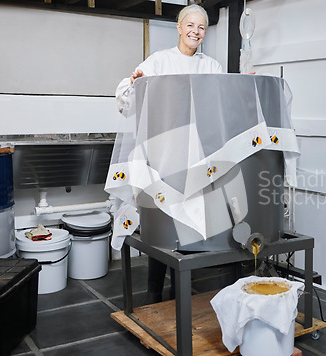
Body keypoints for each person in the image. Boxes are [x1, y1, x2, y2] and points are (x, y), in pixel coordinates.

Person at [115, 4, 223, 304]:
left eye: (201, 27)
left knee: (187, 227)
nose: (195, 32)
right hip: (161, 158)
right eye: (190, 25)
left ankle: (179, 295)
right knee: (160, 227)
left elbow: (224, 100)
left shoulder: (211, 67)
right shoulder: (159, 61)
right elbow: (126, 95)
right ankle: (153, 295)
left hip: (197, 159)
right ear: (178, 27)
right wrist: (135, 84)